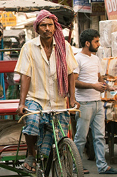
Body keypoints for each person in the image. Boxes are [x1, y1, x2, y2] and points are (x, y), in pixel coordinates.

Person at [15, 10, 79, 173]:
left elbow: (71, 72)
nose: (47, 28)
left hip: (58, 100)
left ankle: (58, 160)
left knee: (62, 136)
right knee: (32, 120)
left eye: (50, 25)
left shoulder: (64, 47)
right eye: (43, 25)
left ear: (55, 27)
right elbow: (25, 75)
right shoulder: (29, 47)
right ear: (37, 28)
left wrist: (72, 99)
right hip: (35, 98)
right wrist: (22, 103)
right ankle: (31, 154)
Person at [73, 29, 117, 174]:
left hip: (98, 102)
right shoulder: (77, 59)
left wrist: (106, 86)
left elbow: (98, 79)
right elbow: (74, 82)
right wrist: (93, 86)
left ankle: (103, 166)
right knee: (81, 137)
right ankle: (77, 166)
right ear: (87, 43)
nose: (98, 44)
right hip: (84, 103)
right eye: (96, 41)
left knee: (99, 136)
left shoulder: (96, 59)